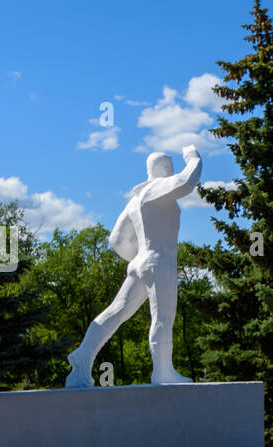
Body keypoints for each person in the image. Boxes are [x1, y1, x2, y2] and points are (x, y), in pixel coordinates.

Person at [66, 144, 202, 387]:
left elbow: (116, 239)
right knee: (162, 316)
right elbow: (187, 181)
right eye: (170, 166)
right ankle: (163, 372)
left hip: (141, 261)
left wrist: (139, 258)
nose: (172, 170)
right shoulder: (157, 188)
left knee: (117, 311)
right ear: (163, 169)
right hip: (159, 260)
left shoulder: (135, 199)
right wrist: (193, 157)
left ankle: (83, 355)